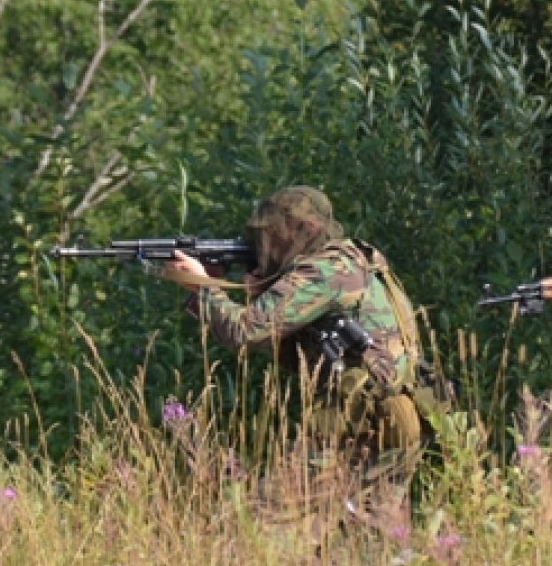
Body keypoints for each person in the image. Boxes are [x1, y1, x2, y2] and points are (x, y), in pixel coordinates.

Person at [166, 186, 439, 529]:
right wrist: (257, 291)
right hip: (397, 416)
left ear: (304, 230)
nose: (267, 245)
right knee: (369, 543)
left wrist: (204, 288)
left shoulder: (326, 270)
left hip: (358, 422)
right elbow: (298, 350)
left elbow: (246, 333)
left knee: (257, 526)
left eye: (275, 235)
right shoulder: (355, 260)